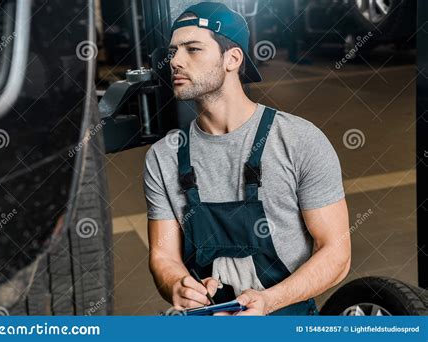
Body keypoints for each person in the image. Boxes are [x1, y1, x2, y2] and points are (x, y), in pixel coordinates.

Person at [143, 2, 350, 315]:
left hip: (285, 315)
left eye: (193, 49)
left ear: (233, 58)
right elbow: (163, 257)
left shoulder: (298, 140)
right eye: (173, 52)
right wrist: (177, 284)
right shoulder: (163, 157)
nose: (176, 62)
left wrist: (269, 301)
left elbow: (336, 253)